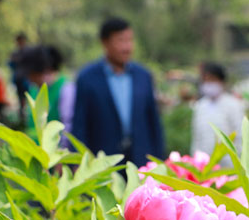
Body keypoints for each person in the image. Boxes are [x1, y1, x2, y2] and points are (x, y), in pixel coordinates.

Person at [72, 17, 164, 166]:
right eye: (121, 41)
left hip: (141, 161)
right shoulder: (87, 78)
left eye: (130, 40)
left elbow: (153, 122)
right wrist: (77, 163)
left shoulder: (143, 76)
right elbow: (80, 124)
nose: (127, 47)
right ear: (105, 43)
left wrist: (159, 160)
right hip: (103, 162)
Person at [190, 62, 245, 162]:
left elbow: (240, 135)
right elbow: (196, 137)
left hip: (229, 162)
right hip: (205, 163)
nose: (208, 84)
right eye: (205, 80)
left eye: (212, 80)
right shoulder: (200, 106)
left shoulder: (233, 104)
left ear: (221, 81)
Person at [20, 45, 75, 133]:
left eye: (31, 74)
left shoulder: (65, 89)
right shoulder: (34, 89)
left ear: (44, 71)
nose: (29, 79)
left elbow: (68, 126)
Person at [8, 33, 31, 122]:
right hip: (18, 79)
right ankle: (22, 117)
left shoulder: (28, 52)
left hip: (27, 80)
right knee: (21, 99)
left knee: (29, 97)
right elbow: (11, 64)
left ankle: (29, 116)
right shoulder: (15, 53)